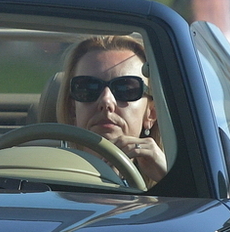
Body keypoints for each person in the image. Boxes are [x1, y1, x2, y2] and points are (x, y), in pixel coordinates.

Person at [58, 32, 168, 188]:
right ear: (72, 108)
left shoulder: (169, 190)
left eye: (126, 88)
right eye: (88, 88)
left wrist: (168, 180)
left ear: (151, 113)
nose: (106, 101)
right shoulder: (35, 175)